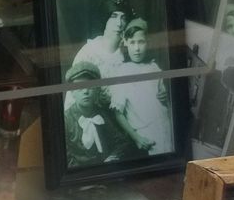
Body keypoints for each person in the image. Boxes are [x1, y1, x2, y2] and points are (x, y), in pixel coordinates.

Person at [108, 19, 173, 156]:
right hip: (146, 134)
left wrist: (166, 98)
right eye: (132, 42)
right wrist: (137, 138)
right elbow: (118, 113)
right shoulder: (122, 72)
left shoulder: (154, 68)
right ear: (125, 42)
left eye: (141, 42)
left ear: (147, 42)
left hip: (165, 128)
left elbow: (164, 104)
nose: (137, 48)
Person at [63, 62, 138, 168]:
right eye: (79, 87)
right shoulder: (65, 120)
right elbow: (65, 158)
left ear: (97, 89)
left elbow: (122, 142)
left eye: (90, 87)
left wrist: (112, 158)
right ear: (72, 92)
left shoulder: (103, 114)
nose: (85, 91)